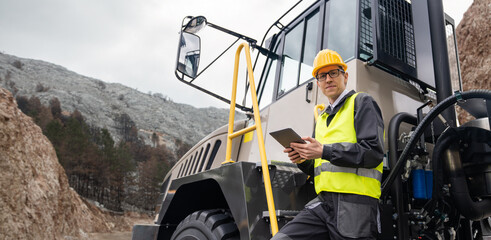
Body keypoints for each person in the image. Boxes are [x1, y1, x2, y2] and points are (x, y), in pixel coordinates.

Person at [271, 49, 384, 240]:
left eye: (333, 73)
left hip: (354, 204)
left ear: (345, 76)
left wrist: (324, 150)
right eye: (322, 76)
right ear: (318, 83)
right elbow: (320, 167)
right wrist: (302, 159)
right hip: (323, 204)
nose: (328, 79)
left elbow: (373, 153)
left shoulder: (362, 102)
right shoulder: (322, 118)